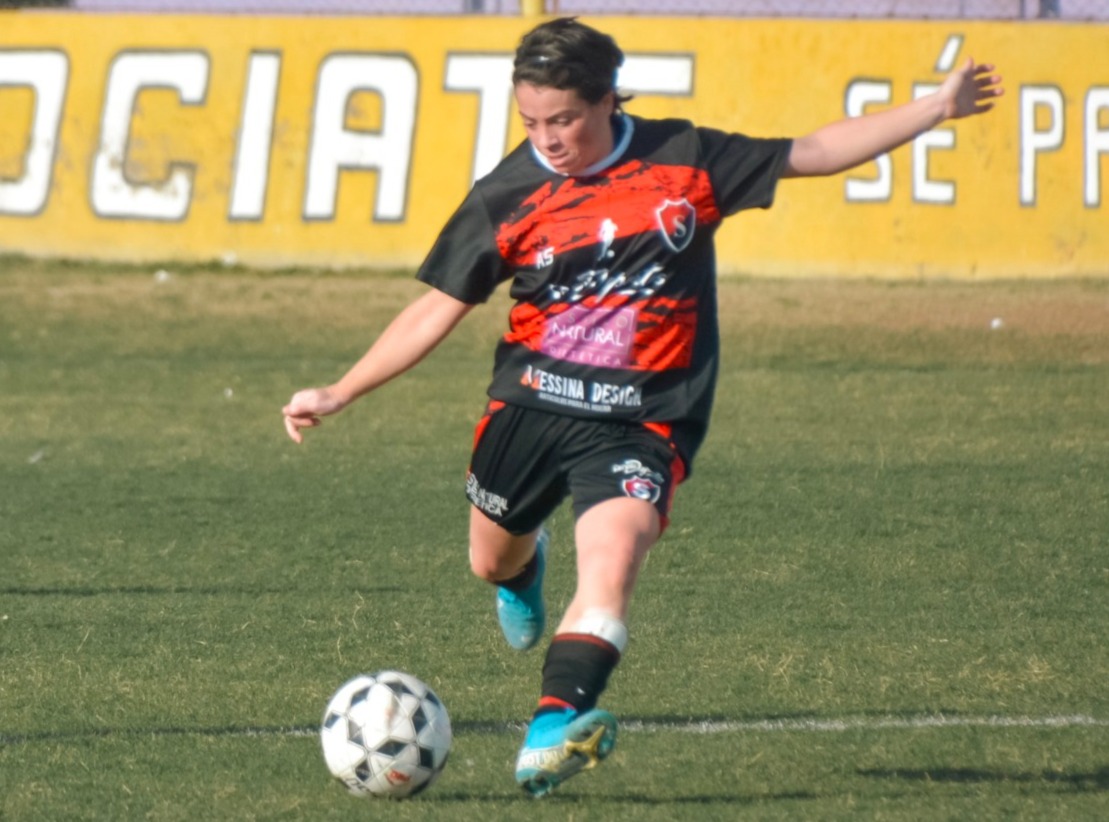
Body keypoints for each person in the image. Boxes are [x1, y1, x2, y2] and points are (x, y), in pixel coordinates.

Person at [282, 17, 1003, 797]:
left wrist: (935, 107)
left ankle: (552, 727)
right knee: (489, 556)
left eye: (564, 120)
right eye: (531, 121)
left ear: (606, 101)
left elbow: (812, 153)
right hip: (529, 403)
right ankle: (520, 574)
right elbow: (437, 306)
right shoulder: (509, 191)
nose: (547, 138)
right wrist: (341, 389)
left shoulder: (684, 159)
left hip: (640, 420)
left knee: (615, 559)